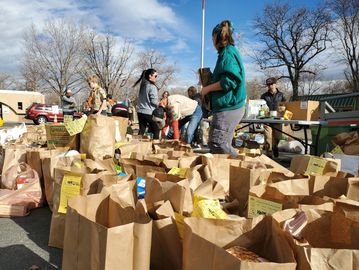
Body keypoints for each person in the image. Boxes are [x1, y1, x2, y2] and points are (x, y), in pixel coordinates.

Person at [201, 20, 246, 157]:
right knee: (215, 144)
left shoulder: (227, 53)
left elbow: (230, 80)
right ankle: (227, 174)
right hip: (225, 107)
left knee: (218, 144)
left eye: (212, 37)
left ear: (217, 37)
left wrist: (207, 89)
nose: (212, 41)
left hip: (230, 107)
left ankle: (242, 167)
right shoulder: (225, 54)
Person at [260, 77, 286, 157]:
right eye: (268, 85)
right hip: (267, 119)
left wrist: (283, 110)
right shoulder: (264, 96)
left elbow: (286, 106)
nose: (270, 86)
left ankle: (275, 146)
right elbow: (260, 107)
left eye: (271, 84)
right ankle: (269, 153)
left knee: (277, 137)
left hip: (278, 119)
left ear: (276, 84)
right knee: (268, 137)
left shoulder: (281, 95)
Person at [133, 68, 161, 139]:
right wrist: (160, 104)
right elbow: (154, 101)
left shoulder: (143, 86)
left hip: (140, 111)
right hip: (149, 112)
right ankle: (155, 148)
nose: (156, 78)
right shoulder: (152, 87)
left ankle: (138, 146)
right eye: (155, 76)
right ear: (150, 76)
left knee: (142, 130)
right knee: (156, 130)